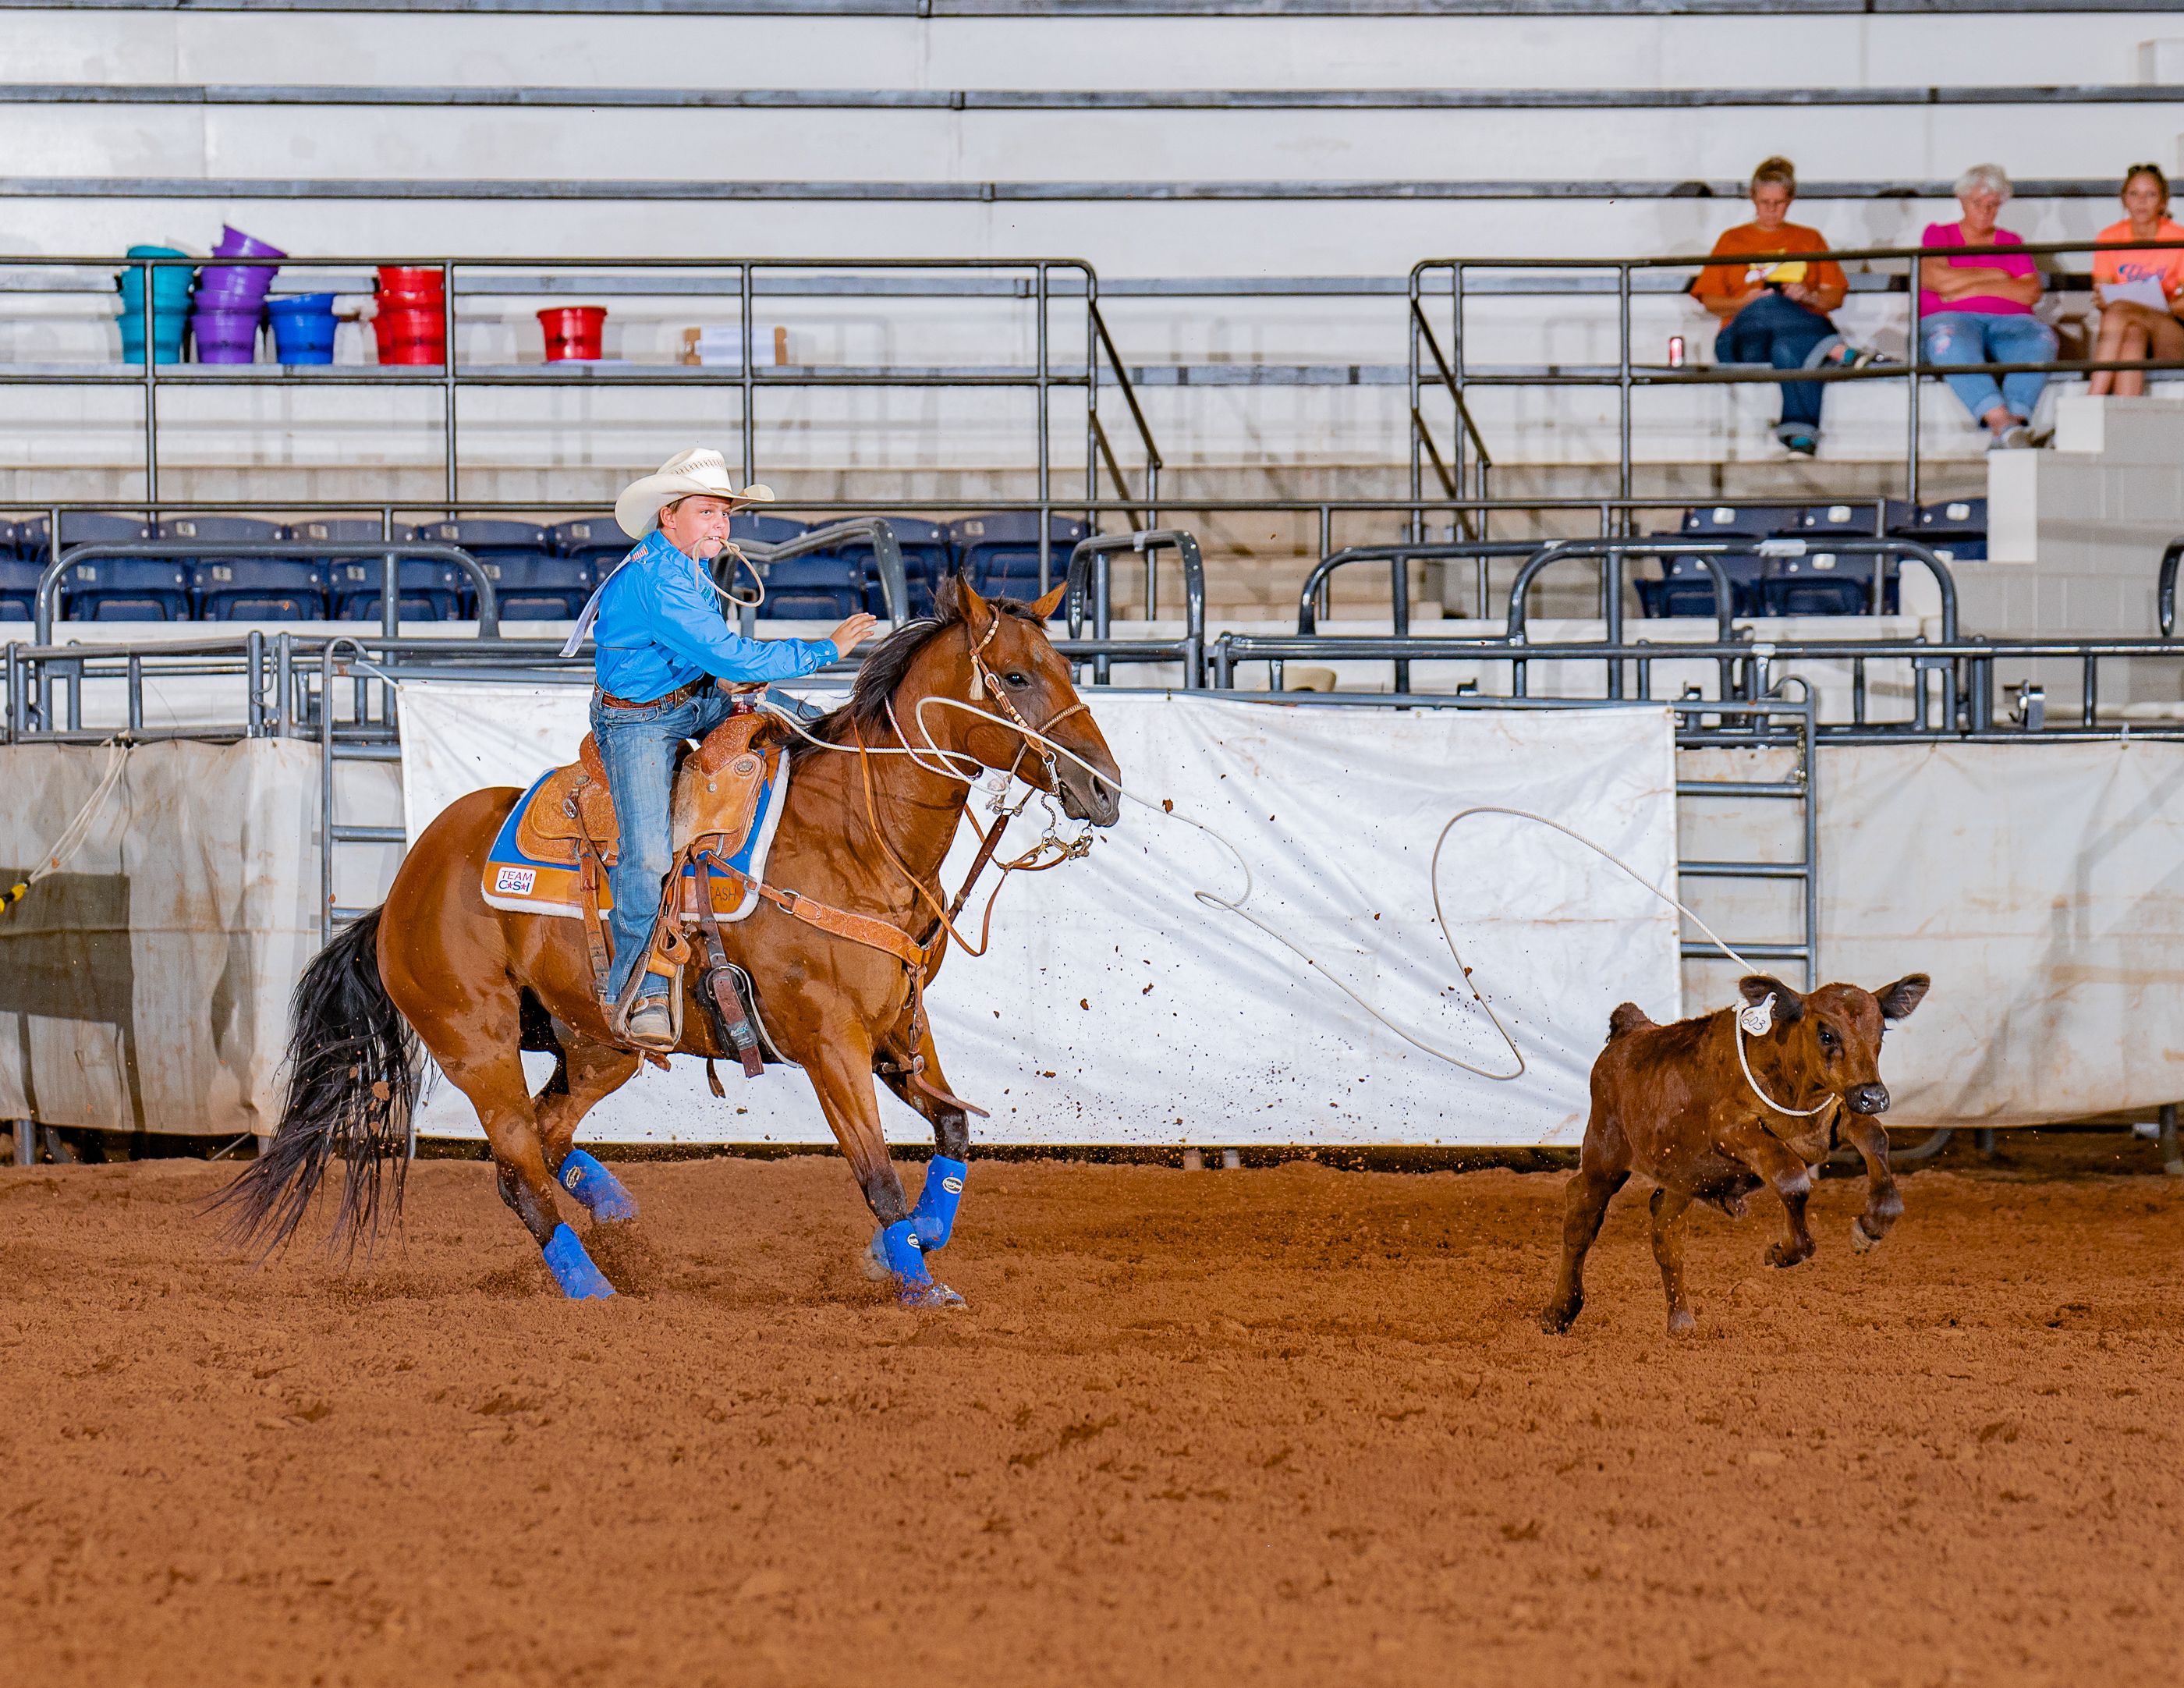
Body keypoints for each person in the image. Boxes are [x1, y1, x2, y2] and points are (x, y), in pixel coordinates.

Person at [561, 447, 878, 1048]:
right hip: (638, 724)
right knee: (649, 853)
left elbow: (718, 663)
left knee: (801, 724)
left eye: (725, 515)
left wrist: (738, 689)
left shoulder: (682, 565)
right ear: (668, 517)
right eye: (707, 512)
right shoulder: (658, 580)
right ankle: (637, 985)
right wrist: (824, 650)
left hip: (686, 697)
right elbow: (734, 657)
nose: (720, 525)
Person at [1692, 156, 1877, 456]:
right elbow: (1710, 300)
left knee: (1789, 347)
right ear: (1753, 198)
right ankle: (1835, 347)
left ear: (1790, 200)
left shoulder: (1809, 238)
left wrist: (1808, 297)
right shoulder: (1732, 240)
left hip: (1793, 335)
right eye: (1765, 202)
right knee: (1768, 302)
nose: (1771, 209)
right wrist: (1744, 302)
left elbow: (1835, 296)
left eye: (1779, 203)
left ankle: (1801, 437)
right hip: (1741, 340)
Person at [1917, 164, 2055, 448]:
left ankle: (2013, 423)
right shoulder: (1938, 234)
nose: (1985, 211)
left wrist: (1966, 286)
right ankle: (2003, 424)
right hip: (1952, 318)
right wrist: (1996, 275)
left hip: (2011, 320)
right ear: (1962, 201)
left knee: (2040, 340)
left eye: (1993, 205)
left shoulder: (2011, 240)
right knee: (1949, 342)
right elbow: (1935, 279)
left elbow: (2029, 291)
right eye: (1978, 203)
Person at [2087, 162, 2184, 399]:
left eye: (2150, 195)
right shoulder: (2109, 237)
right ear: (2124, 200)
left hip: (2171, 331)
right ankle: (2125, 411)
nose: (2142, 202)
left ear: (2163, 201)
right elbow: (2102, 296)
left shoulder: (2178, 237)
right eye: (2134, 194)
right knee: (2132, 331)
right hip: (2124, 327)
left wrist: (2147, 306)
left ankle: (2093, 397)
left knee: (2122, 310)